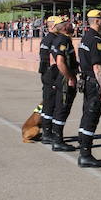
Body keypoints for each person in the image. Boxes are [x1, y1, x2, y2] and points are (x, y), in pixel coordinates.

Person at [76, 9, 101, 168]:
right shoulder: (95, 39)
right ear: (97, 21)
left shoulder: (86, 37)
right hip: (93, 82)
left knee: (86, 116)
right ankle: (85, 154)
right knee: (91, 118)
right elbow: (97, 66)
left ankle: (83, 148)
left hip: (86, 81)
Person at [49, 19, 79, 152]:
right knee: (63, 108)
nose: (73, 26)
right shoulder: (63, 40)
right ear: (65, 27)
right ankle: (57, 140)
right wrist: (70, 78)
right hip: (64, 79)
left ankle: (57, 139)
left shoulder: (60, 39)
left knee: (61, 108)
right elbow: (60, 62)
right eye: (70, 24)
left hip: (62, 77)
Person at [38, 16, 60, 144]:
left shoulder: (47, 39)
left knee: (49, 103)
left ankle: (47, 131)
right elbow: (53, 61)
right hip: (51, 74)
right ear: (52, 26)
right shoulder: (53, 39)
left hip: (46, 74)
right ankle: (47, 133)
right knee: (50, 104)